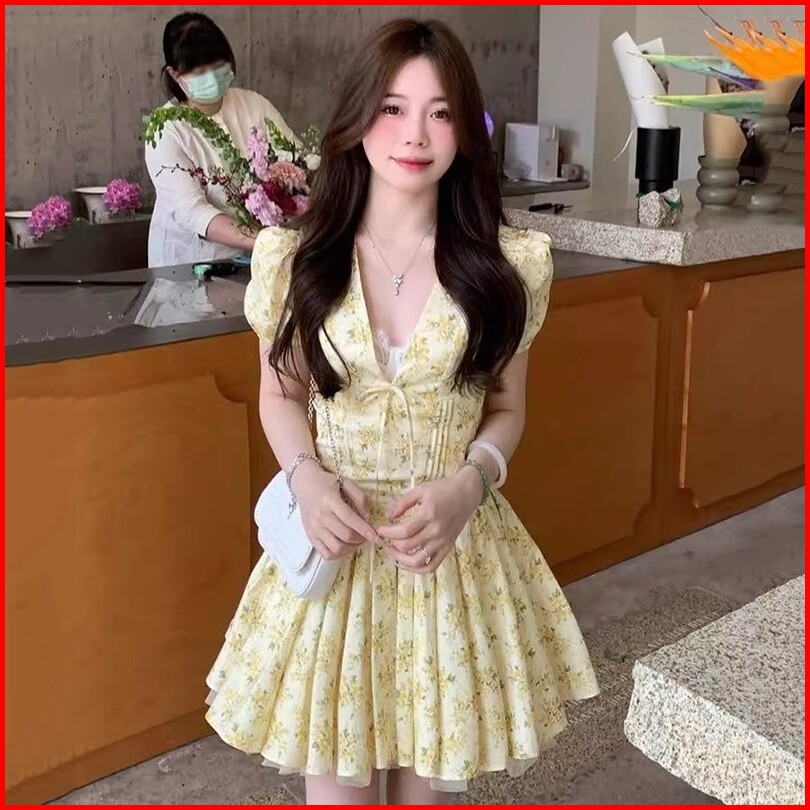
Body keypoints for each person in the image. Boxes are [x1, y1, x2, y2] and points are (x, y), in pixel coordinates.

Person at [205, 18, 599, 806]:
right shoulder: (296, 258)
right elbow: (280, 393)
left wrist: (468, 486)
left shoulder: (508, 266)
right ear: (358, 117)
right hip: (335, 553)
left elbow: (507, 407)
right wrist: (307, 480)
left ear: (465, 130)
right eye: (393, 108)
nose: (415, 134)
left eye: (440, 112)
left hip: (447, 559)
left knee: (424, 794)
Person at [145, 12, 298, 267]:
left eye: (218, 66)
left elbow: (296, 159)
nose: (212, 76)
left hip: (260, 259)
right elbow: (193, 211)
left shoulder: (254, 105)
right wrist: (265, 240)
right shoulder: (167, 130)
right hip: (192, 263)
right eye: (199, 71)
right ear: (174, 74)